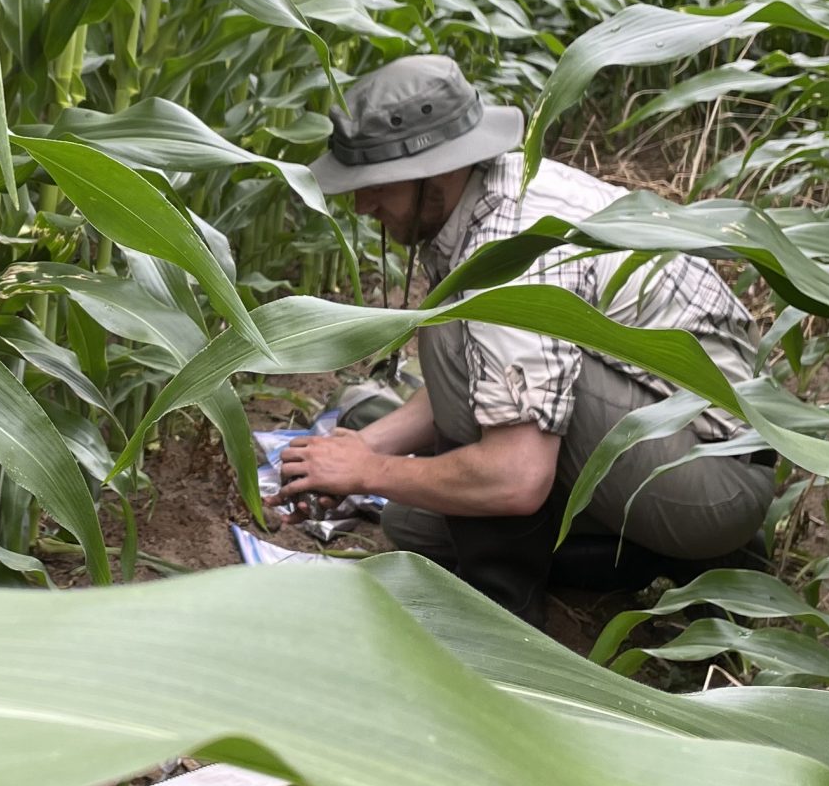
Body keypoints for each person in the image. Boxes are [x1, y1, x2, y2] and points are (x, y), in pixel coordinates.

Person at [276, 54, 775, 624]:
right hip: (677, 446)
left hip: (710, 472)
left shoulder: (505, 250)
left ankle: (507, 616)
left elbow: (516, 478)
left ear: (433, 173)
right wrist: (365, 448)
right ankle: (670, 557)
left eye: (376, 187)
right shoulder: (489, 193)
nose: (363, 205)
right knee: (413, 526)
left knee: (454, 345)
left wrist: (367, 473)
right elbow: (485, 374)